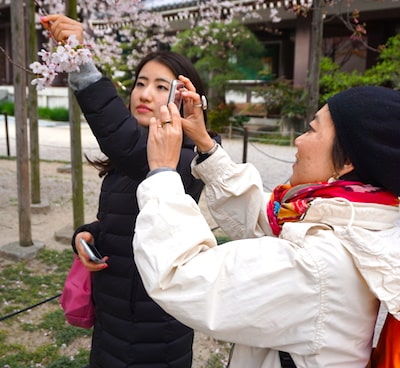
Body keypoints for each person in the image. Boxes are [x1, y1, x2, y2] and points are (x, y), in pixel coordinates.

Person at [132, 84, 400, 367]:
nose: (298, 140)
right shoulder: (354, 220)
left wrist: (162, 172)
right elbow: (265, 218)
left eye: (311, 130)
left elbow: (182, 276)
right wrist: (205, 143)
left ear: (346, 160)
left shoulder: (317, 264)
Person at [41, 14, 219, 368]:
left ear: (184, 99)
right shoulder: (130, 157)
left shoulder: (187, 157)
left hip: (155, 327)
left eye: (159, 86)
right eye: (140, 83)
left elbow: (122, 140)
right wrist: (88, 234)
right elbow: (121, 219)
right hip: (114, 315)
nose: (144, 94)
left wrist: (80, 61)